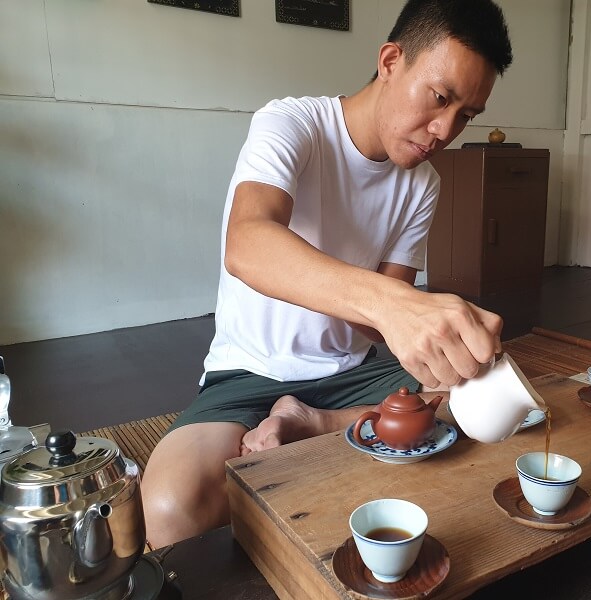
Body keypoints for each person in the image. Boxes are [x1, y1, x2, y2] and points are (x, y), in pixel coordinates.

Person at [141, 0, 513, 549]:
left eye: (466, 115)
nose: (444, 130)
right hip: (249, 371)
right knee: (170, 508)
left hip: (349, 377)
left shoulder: (422, 184)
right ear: (390, 60)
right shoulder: (292, 123)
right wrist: (394, 305)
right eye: (440, 98)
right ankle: (323, 431)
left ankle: (309, 423)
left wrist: (435, 333)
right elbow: (247, 243)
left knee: (484, 406)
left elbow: (375, 329)